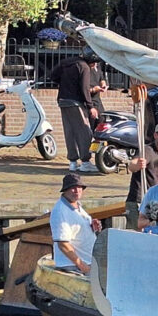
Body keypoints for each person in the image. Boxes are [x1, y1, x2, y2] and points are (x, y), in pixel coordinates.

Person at [51, 45, 100, 173]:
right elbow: (85, 88)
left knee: (70, 131)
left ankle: (72, 162)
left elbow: (53, 76)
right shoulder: (84, 67)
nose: (95, 65)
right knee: (84, 131)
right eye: (94, 62)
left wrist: (65, 84)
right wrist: (91, 106)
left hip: (63, 100)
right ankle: (85, 162)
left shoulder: (67, 62)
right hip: (75, 102)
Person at [124, 121, 158, 230]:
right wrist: (137, 164)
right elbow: (132, 165)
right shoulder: (148, 151)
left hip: (154, 202)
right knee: (135, 234)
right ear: (156, 135)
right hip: (138, 201)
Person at [49, 173, 100, 275]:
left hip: (87, 263)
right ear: (65, 190)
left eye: (79, 187)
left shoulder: (77, 205)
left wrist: (91, 225)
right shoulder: (60, 211)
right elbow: (63, 244)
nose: (77, 190)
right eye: (73, 188)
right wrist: (83, 267)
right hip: (74, 267)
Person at [88, 62, 108, 131]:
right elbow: (83, 89)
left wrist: (103, 85)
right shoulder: (85, 69)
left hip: (97, 100)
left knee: (102, 120)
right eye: (93, 63)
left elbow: (101, 78)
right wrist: (93, 90)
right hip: (89, 100)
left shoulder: (98, 65)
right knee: (92, 122)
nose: (95, 64)